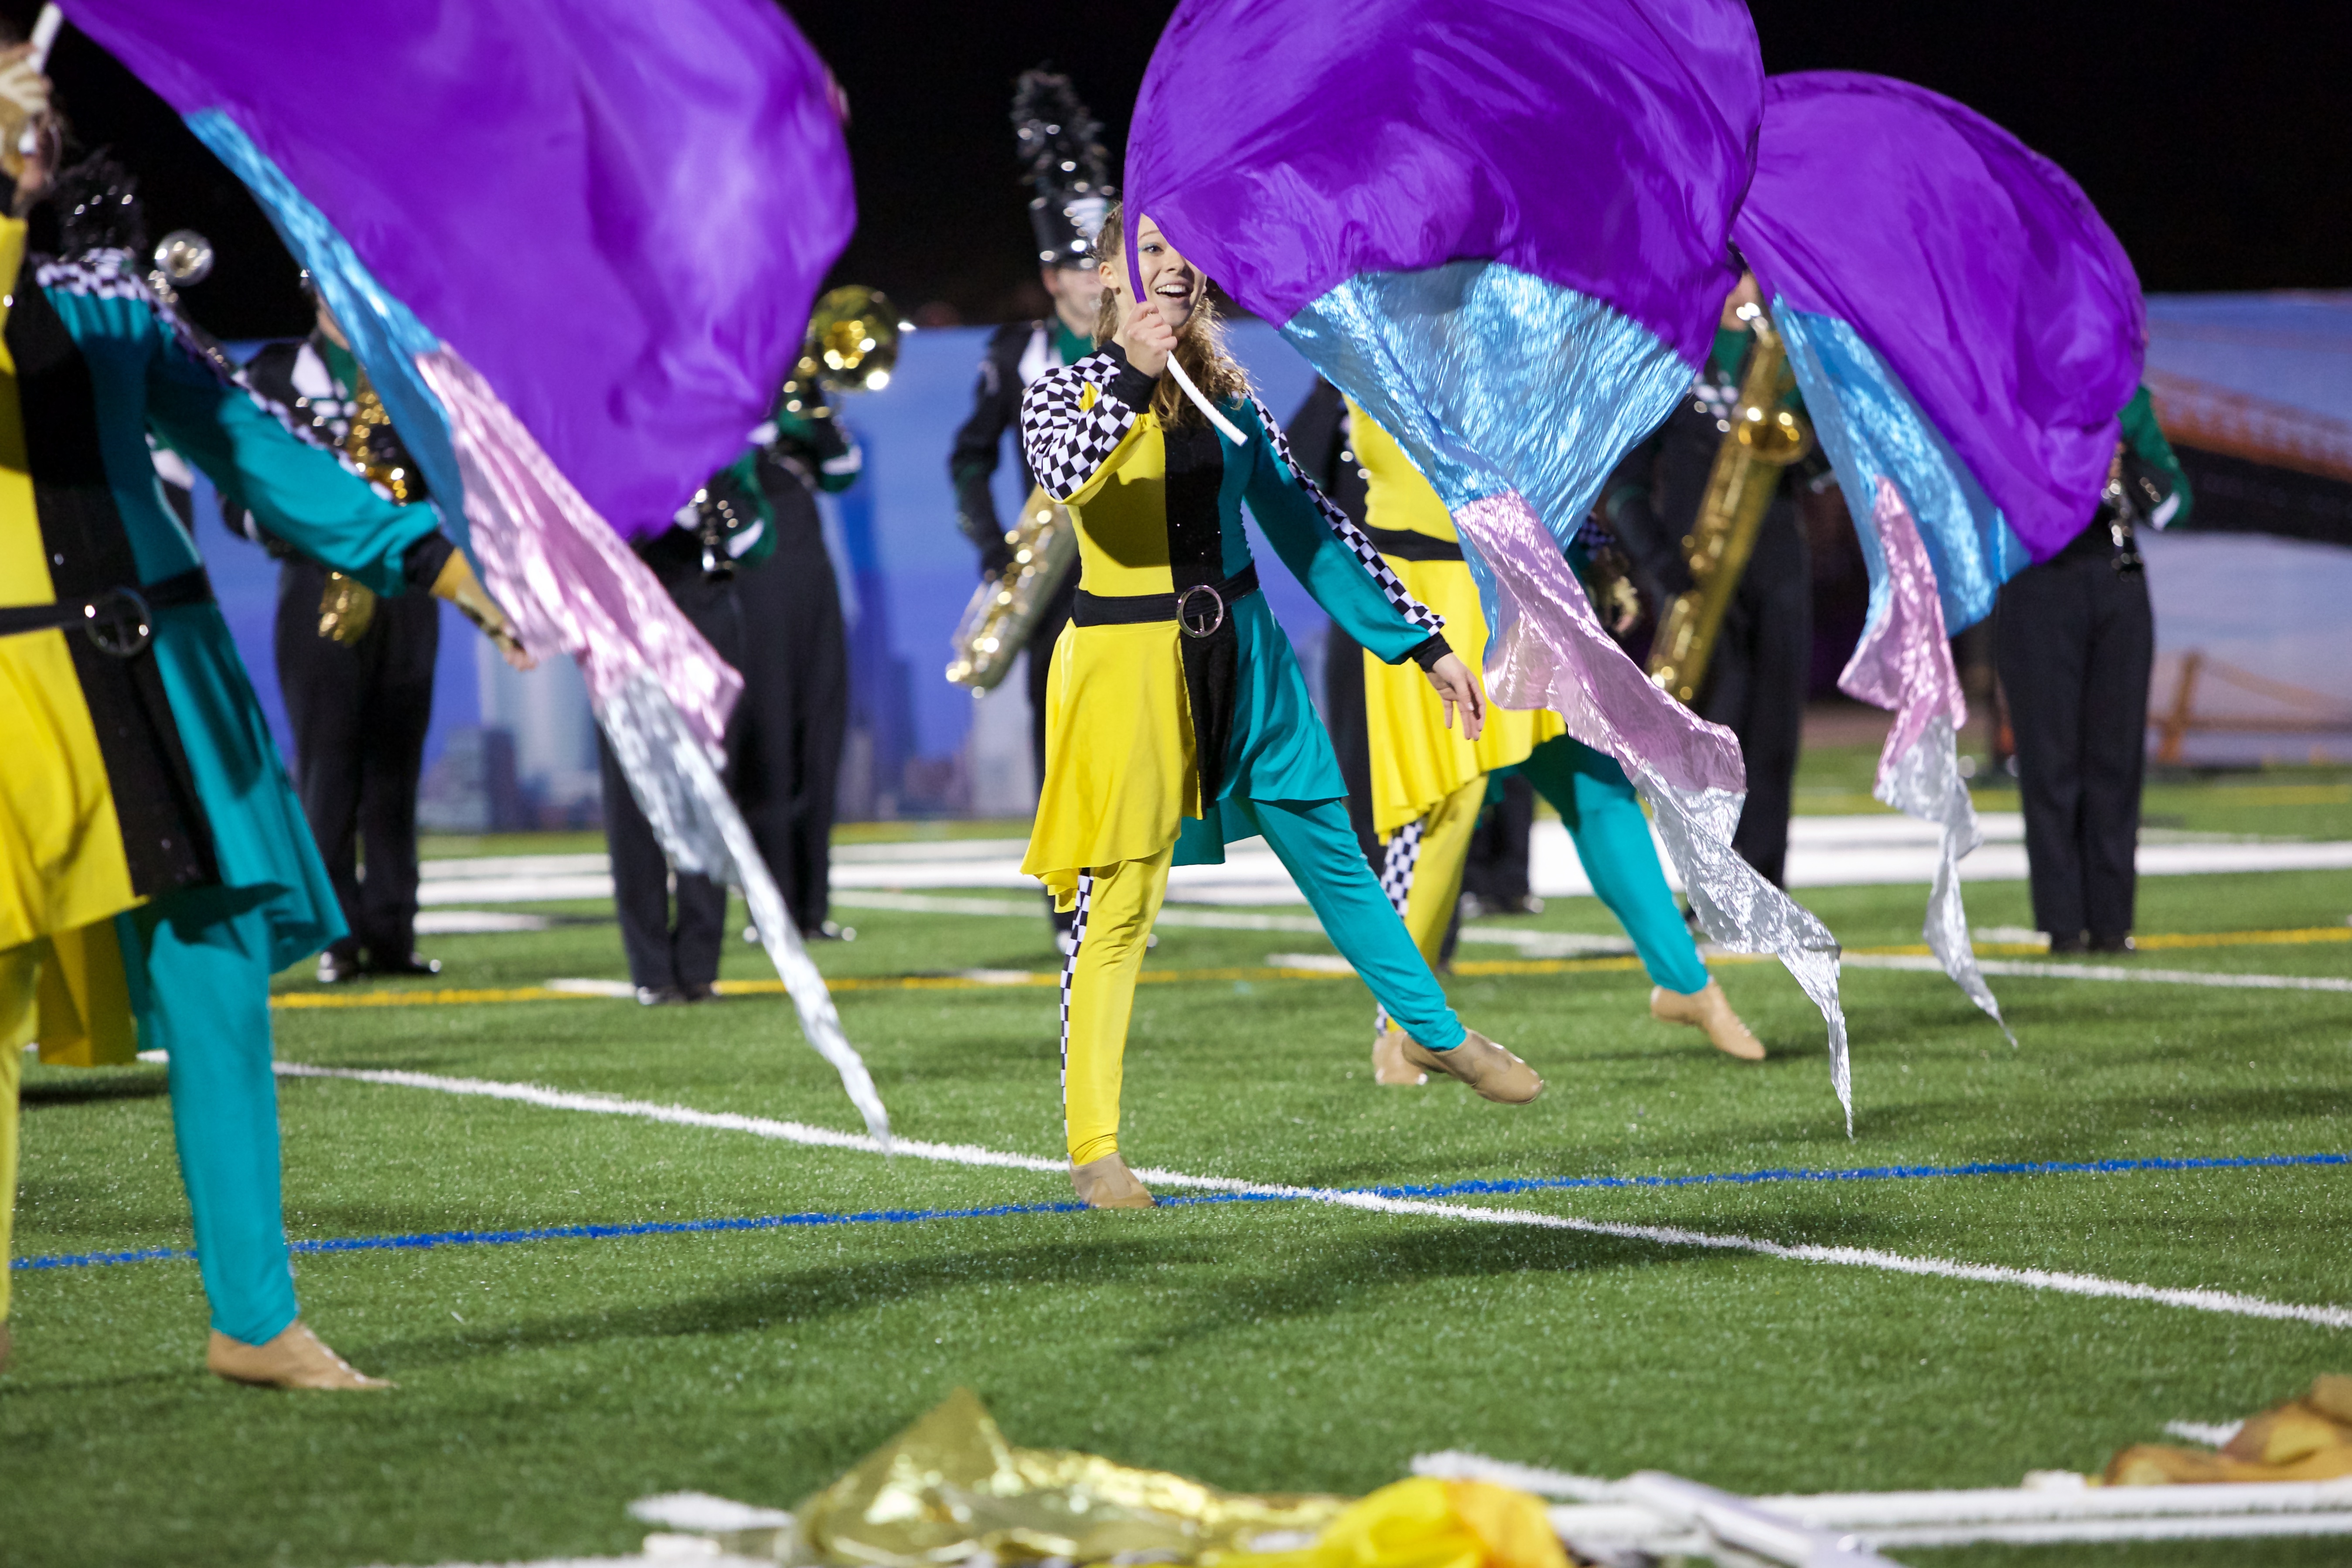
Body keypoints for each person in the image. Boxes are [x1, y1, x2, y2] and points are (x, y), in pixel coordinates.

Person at [0, 43, 528, 1387]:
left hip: (160, 663)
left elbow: (247, 444)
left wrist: (438, 563)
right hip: (16, 682)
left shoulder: (106, 288)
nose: (36, 117)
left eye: (37, 98)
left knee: (220, 978)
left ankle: (255, 1316)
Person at [1019, 208, 1541, 1210]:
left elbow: (1313, 528)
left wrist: (1422, 642)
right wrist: (1130, 369)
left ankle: (1434, 1033)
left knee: (1332, 850)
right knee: (1116, 906)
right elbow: (1066, 473)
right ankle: (1094, 1146)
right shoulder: (1067, 390)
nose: (1168, 271)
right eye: (1146, 258)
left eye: (1180, 254)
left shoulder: (1229, 399)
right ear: (1109, 282)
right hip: (1126, 672)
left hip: (1247, 652)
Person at [1289, 383, 1763, 1081]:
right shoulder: (1370, 337)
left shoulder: (1497, 333)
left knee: (1595, 787)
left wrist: (1594, 547)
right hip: (1431, 597)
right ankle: (1402, 1027)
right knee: (1443, 808)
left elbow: (1537, 464)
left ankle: (1688, 987)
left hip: (1521, 590)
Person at [949, 69, 1112, 953]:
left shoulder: (1152, 345)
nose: (1099, 284)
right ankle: (1064, 900)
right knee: (1062, 736)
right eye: (1083, 270)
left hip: (1146, 564)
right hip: (1056, 571)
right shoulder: (1021, 351)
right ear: (1052, 278)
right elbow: (968, 455)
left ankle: (1127, 887)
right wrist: (989, 543)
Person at [233, 294, 441, 982]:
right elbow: (240, 490)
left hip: (404, 589)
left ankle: (392, 933)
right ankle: (337, 938)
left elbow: (455, 472)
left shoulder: (408, 372)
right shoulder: (276, 374)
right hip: (314, 585)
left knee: (395, 769)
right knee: (327, 764)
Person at [1599, 276, 1833, 888]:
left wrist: (1813, 437)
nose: (1746, 288)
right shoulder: (1670, 359)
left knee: (1774, 731)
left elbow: (1822, 464)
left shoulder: (1781, 356)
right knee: (1714, 732)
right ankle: (1710, 887)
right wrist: (1654, 561)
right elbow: (1624, 479)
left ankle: (1765, 885)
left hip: (1778, 562)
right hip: (1697, 574)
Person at [1996, 386, 2188, 954]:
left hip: (2116, 578)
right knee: (2048, 760)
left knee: (2115, 756)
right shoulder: (2012, 389)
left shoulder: (2128, 400)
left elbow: (2176, 503)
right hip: (2037, 578)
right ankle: (2062, 927)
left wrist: (2126, 464)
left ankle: (2110, 924)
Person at [595, 457, 775, 1004]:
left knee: (709, 788)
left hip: (705, 611)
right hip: (625, 615)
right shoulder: (612, 440)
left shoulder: (723, 449)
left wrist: (714, 493)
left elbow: (757, 541)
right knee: (633, 790)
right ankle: (651, 968)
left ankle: (700, 964)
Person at [736, 396, 859, 940]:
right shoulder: (728, 389)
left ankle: (812, 909)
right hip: (755, 578)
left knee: (819, 741)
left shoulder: (801, 397)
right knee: (769, 748)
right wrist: (774, 419)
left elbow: (842, 472)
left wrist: (816, 416)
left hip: (812, 578)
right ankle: (769, 910)